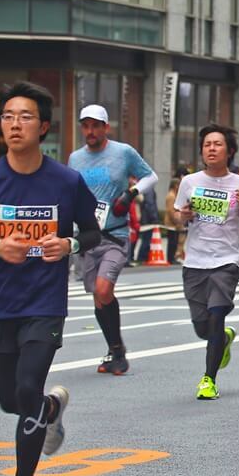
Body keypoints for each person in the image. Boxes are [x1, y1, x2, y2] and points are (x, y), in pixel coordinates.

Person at [0, 81, 100, 476]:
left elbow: (92, 232)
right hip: (0, 303)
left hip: (44, 303)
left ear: (44, 127)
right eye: (8, 116)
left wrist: (69, 245)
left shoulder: (66, 181)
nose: (15, 124)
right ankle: (50, 409)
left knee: (26, 386)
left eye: (25, 117)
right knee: (10, 399)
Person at [68, 105, 158, 375]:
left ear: (106, 127)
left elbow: (150, 176)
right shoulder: (75, 159)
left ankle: (117, 350)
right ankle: (115, 350)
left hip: (116, 234)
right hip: (87, 237)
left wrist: (129, 195)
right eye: (86, 126)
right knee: (98, 296)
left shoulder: (123, 152)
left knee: (104, 289)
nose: (91, 131)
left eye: (96, 125)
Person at [174, 125, 239, 400]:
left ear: (229, 150)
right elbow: (177, 217)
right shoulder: (189, 182)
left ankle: (208, 379)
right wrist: (183, 216)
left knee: (217, 314)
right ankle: (224, 338)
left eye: (217, 144)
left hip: (228, 259)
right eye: (207, 144)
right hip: (195, 259)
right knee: (202, 327)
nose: (211, 148)